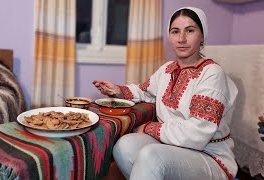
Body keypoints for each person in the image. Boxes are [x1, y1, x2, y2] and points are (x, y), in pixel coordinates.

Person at [93, 7, 238, 180]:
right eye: (175, 31)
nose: (181, 39)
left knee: (151, 156)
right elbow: (145, 91)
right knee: (123, 146)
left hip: (210, 155)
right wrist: (118, 90)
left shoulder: (212, 73)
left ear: (202, 36)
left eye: (190, 31)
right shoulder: (167, 70)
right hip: (174, 147)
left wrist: (148, 128)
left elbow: (196, 134)